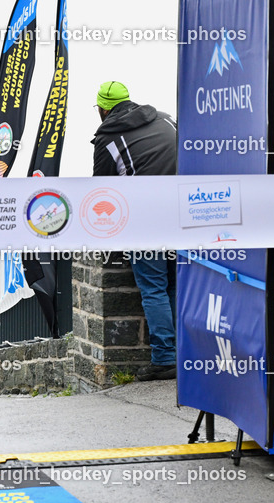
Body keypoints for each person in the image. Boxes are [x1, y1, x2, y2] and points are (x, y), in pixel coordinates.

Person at [92, 81, 178, 381]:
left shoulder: (108, 139)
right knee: (177, 285)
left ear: (103, 110)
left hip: (147, 219)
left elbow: (102, 191)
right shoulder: (166, 119)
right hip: (188, 212)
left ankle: (166, 359)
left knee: (154, 287)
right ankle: (191, 355)